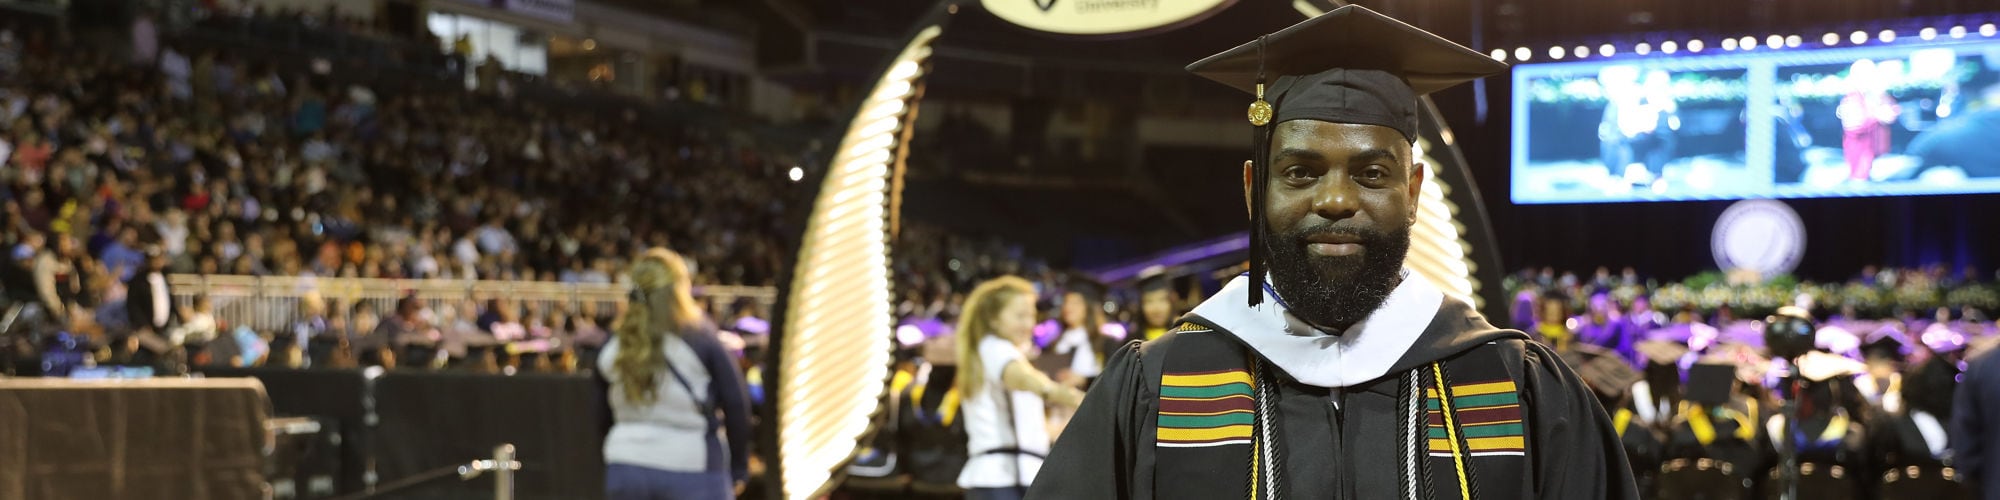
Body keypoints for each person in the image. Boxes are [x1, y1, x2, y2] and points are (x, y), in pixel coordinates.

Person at [1030, 7, 1638, 499]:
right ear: (1252, 190)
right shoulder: (1157, 385)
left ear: (1415, 192)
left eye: (1373, 174)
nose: (1337, 200)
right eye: (1299, 172)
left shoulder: (1517, 387)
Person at [598, 248, 751, 500]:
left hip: (625, 467)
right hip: (692, 468)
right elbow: (736, 405)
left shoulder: (614, 343)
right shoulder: (700, 337)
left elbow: (600, 416)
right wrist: (739, 469)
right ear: (681, 287)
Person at [955, 276, 1084, 500]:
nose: (1029, 324)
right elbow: (1021, 378)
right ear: (994, 319)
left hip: (1009, 478)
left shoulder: (992, 351)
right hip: (1004, 482)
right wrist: (1077, 398)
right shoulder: (996, 348)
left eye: (1032, 315)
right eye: (1020, 315)